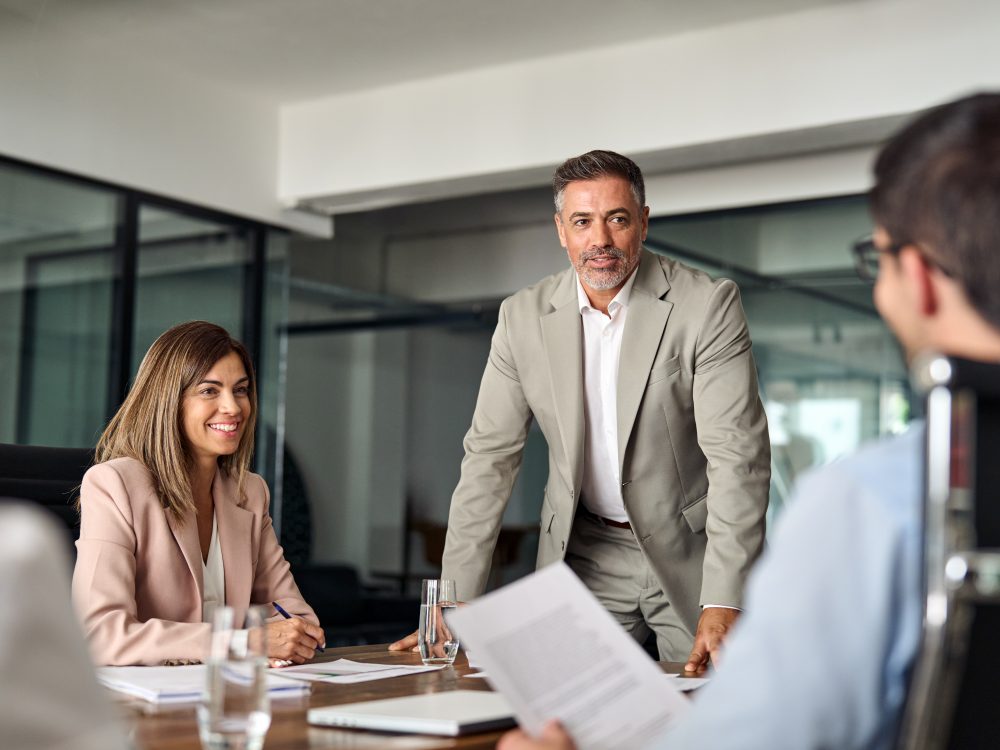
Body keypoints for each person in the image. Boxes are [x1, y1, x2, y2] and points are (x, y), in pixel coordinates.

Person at [496, 92, 1000, 750]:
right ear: (563, 230)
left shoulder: (874, 506)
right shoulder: (529, 316)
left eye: (877, 258)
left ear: (919, 280)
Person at [392, 150, 771, 668]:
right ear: (560, 229)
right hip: (586, 550)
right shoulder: (521, 318)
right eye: (582, 222)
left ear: (643, 222)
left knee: (713, 710)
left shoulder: (707, 306)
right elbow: (489, 458)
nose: (600, 240)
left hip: (693, 551)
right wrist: (455, 598)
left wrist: (725, 596)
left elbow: (737, 459)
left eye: (617, 219)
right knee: (570, 707)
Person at [73, 320, 324, 666]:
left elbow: (296, 618)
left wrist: (288, 636)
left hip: (229, 697)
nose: (234, 408)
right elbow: (99, 634)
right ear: (168, 401)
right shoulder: (114, 484)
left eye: (240, 389)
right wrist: (243, 642)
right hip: (141, 708)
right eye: (209, 391)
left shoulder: (249, 492)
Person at [0, 502, 128, 750]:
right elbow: (102, 629)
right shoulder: (20, 546)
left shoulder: (225, 491)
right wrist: (219, 640)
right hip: (130, 703)